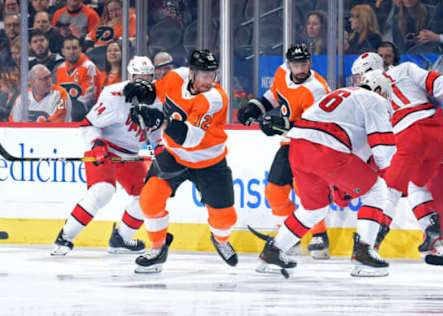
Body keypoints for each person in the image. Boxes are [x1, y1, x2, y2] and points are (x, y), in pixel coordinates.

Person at [253, 70, 396, 277]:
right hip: (327, 149)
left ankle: (273, 252)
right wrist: (376, 170)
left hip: (298, 147)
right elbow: (383, 150)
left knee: (314, 209)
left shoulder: (340, 93)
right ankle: (364, 253)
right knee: (376, 189)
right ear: (380, 90)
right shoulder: (375, 100)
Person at [129, 49, 238, 273]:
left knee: (225, 219)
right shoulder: (176, 77)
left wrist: (160, 121)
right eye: (204, 75)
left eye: (212, 75)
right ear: (191, 73)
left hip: (209, 161)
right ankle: (158, 250)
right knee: (149, 200)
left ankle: (220, 240)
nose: (209, 80)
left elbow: (191, 139)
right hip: (174, 156)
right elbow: (156, 93)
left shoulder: (214, 99)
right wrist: (142, 90)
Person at [351, 52, 443, 256]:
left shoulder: (366, 94)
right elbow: (441, 83)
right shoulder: (405, 69)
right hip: (437, 133)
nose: (358, 80)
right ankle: (436, 240)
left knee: (389, 192)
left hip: (407, 137)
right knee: (416, 185)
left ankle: (369, 246)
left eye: (359, 75)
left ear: (368, 71)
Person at [51, 56, 160, 256]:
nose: (145, 82)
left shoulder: (158, 99)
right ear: (131, 76)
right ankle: (64, 238)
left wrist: (161, 152)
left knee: (149, 197)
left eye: (149, 77)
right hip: (105, 147)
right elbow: (88, 124)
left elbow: (157, 135)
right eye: (140, 77)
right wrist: (97, 144)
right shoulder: (114, 95)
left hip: (130, 154)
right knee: (103, 190)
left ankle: (121, 238)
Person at [237, 44, 332, 259]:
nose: (300, 69)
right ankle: (292, 235)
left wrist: (283, 124)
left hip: (312, 144)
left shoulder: (316, 88)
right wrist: (256, 106)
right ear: (288, 64)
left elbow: (320, 125)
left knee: (305, 190)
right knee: (274, 192)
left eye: (303, 64)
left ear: (310, 63)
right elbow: (274, 95)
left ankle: (319, 235)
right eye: (295, 64)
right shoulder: (281, 72)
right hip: (290, 143)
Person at [56, 35, 100, 121]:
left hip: (87, 112)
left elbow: (89, 97)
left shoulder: (89, 66)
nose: (71, 52)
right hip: (67, 110)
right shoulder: (60, 68)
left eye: (75, 48)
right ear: (63, 51)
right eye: (68, 48)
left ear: (80, 49)